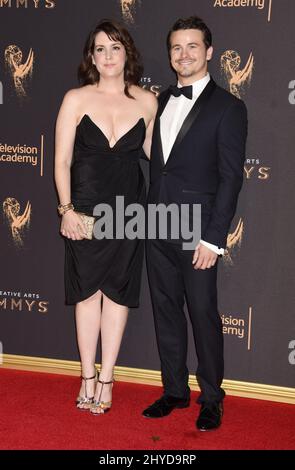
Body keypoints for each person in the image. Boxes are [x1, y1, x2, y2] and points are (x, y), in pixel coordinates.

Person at [143, 16, 247, 430]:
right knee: (165, 309)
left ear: (208, 51)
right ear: (170, 55)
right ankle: (174, 390)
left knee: (202, 312)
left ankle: (212, 397)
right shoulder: (160, 100)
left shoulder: (229, 108)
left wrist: (213, 238)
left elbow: (230, 177)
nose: (183, 54)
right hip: (155, 223)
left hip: (198, 229)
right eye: (176, 48)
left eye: (192, 46)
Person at [54, 19, 157, 415]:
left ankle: (108, 378)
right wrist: (66, 211)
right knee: (86, 296)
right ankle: (86, 376)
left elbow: (156, 156)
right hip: (83, 213)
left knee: (117, 296)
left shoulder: (147, 101)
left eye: (115, 47)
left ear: (126, 52)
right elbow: (61, 161)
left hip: (129, 215)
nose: (109, 56)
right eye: (101, 49)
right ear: (91, 57)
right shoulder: (76, 99)